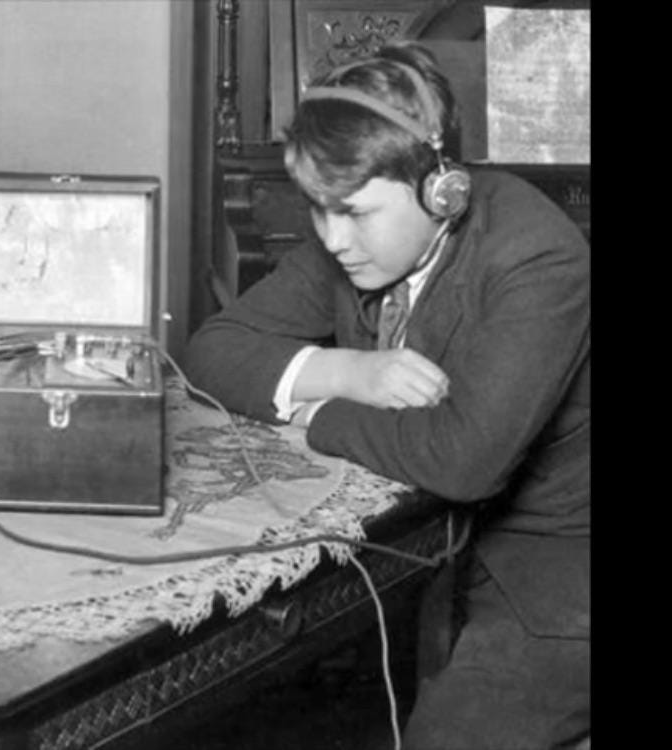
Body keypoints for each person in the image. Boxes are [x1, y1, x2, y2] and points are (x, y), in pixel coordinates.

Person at [182, 43, 589, 749]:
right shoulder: (352, 239)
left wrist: (320, 417)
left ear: (443, 190)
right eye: (317, 209)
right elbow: (211, 350)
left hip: (546, 567)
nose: (333, 237)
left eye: (355, 213)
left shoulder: (538, 257)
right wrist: (350, 373)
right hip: (410, 540)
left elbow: (466, 460)